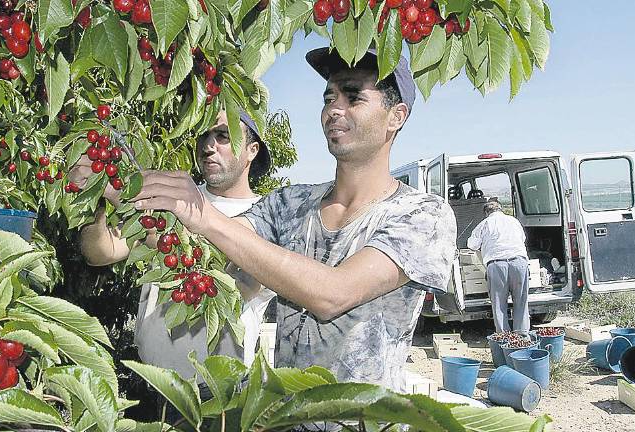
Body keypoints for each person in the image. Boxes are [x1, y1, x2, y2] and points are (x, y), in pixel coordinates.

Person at [129, 48, 457, 393]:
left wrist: (204, 214)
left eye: (353, 97)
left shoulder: (423, 215)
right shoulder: (289, 203)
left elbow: (332, 294)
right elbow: (204, 251)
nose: (334, 110)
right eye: (329, 98)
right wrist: (124, 190)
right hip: (285, 417)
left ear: (396, 116)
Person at [70, 110, 275, 382]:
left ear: (252, 150)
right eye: (204, 135)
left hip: (221, 394)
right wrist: (93, 195)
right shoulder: (175, 193)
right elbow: (99, 252)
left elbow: (232, 284)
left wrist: (127, 200)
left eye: (223, 136)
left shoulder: (268, 215)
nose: (208, 145)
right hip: (152, 383)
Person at [467, 200, 530, 334]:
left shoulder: (484, 224)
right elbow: (522, 239)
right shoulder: (514, 221)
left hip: (497, 265)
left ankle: (504, 337)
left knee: (499, 304)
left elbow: (471, 245)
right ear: (501, 209)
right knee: (521, 301)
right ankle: (523, 335)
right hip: (519, 262)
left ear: (486, 213)